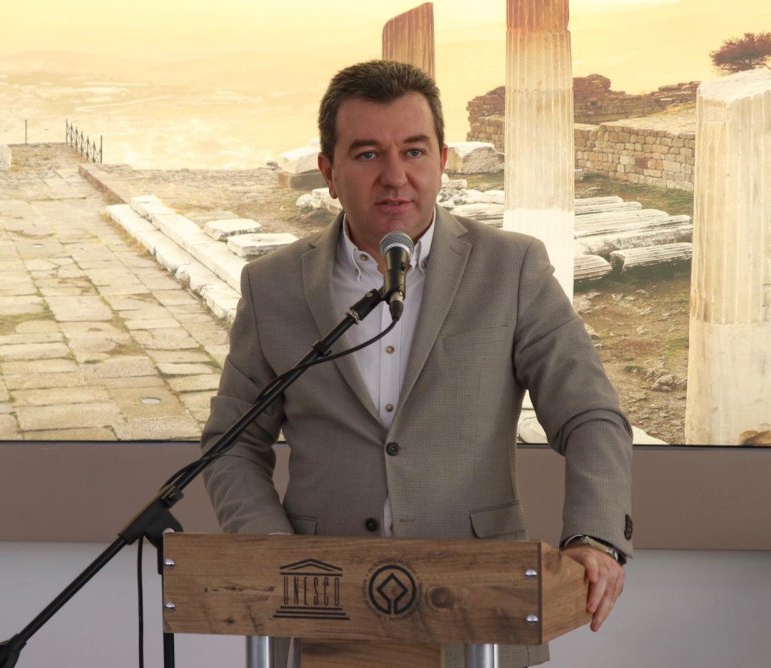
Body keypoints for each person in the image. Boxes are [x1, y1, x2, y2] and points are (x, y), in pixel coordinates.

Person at [201, 59, 633, 668]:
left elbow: (590, 414)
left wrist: (594, 536)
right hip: (322, 614)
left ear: (442, 160)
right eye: (367, 154)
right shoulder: (273, 285)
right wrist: (270, 552)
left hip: (482, 610)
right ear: (328, 172)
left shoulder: (511, 268)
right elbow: (231, 443)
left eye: (414, 151)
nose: (396, 177)